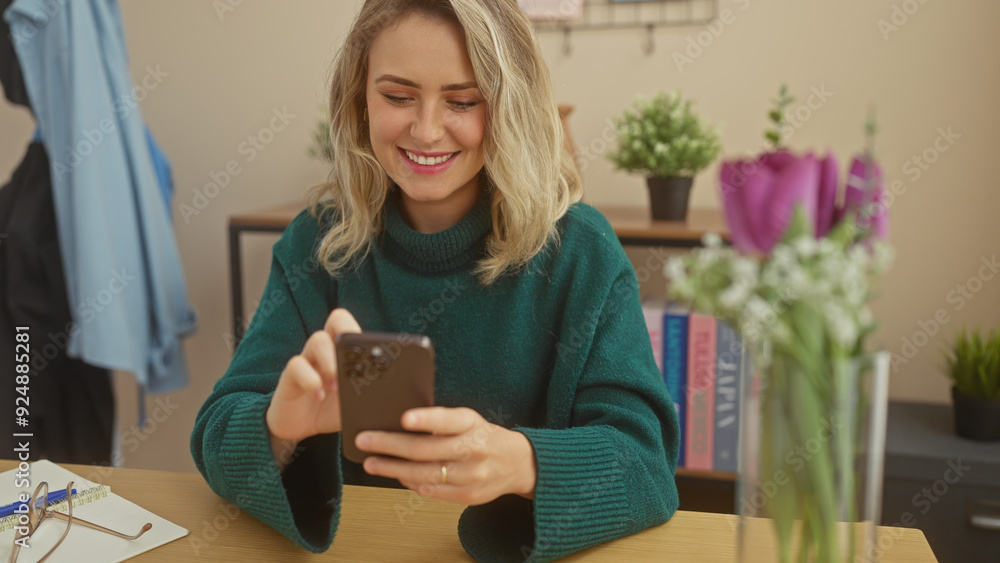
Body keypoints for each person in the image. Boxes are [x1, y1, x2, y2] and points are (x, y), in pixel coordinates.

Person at [190, 0, 680, 560]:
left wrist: (522, 463)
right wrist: (279, 428)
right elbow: (215, 435)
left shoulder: (580, 251)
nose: (426, 131)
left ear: (508, 106)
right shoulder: (317, 244)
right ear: (360, 101)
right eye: (397, 97)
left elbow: (647, 464)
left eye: (463, 101)